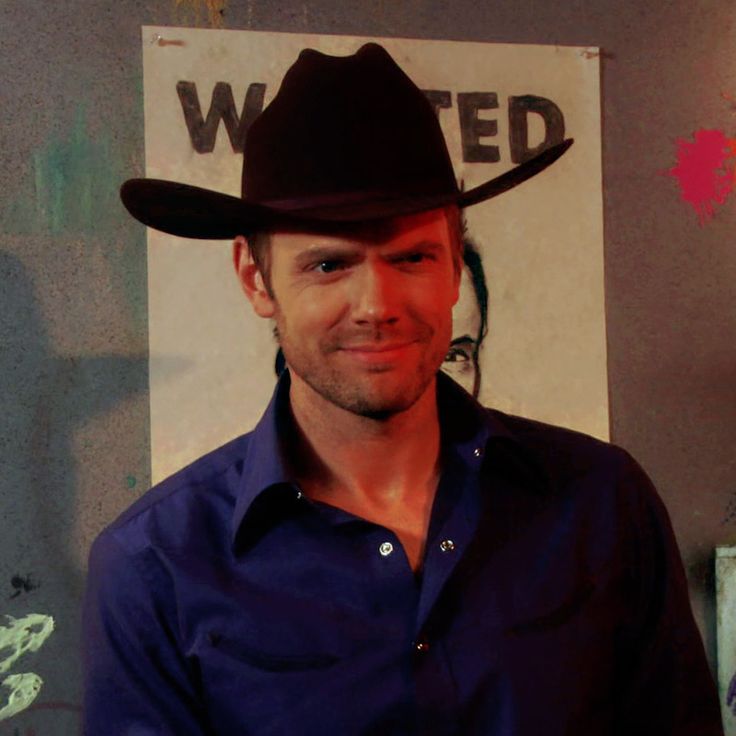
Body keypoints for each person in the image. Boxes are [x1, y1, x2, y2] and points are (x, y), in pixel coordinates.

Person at [83, 43, 723, 735]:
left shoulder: (602, 503)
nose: (376, 303)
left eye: (411, 257)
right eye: (329, 265)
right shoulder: (155, 566)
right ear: (254, 278)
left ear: (454, 267)